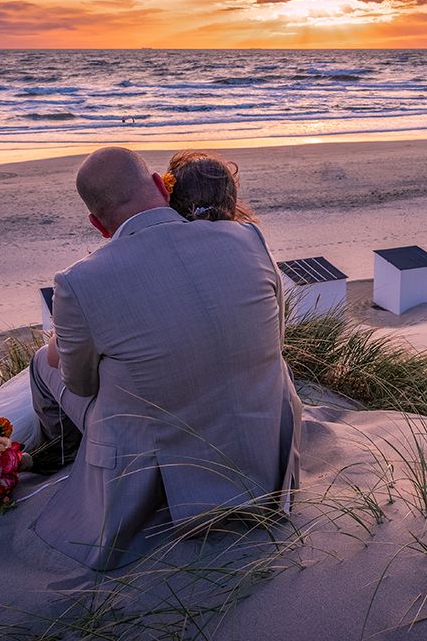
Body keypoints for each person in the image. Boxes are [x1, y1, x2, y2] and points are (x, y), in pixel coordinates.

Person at [29, 147, 302, 570]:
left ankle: (61, 460)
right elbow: (275, 339)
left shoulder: (78, 280)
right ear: (159, 184)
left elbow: (81, 385)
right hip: (265, 456)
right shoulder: (248, 238)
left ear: (98, 225)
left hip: (167, 476)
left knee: (40, 365)